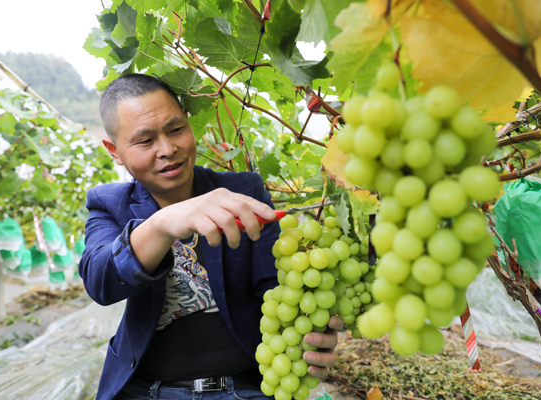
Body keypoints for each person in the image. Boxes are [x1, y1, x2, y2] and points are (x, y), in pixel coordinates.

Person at [79, 74, 344, 400]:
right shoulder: (108, 204)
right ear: (114, 151)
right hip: (148, 391)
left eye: (176, 129)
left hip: (245, 388)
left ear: (189, 125)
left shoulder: (243, 191)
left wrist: (307, 328)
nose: (167, 149)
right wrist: (163, 223)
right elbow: (100, 279)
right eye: (145, 141)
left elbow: (275, 287)